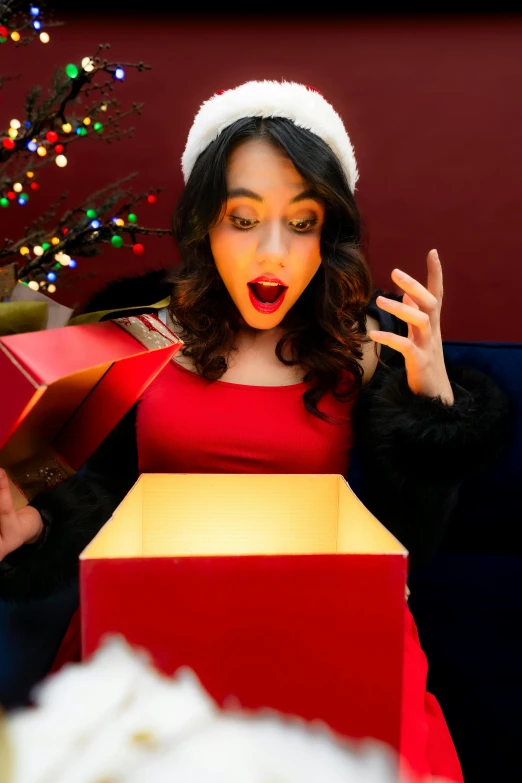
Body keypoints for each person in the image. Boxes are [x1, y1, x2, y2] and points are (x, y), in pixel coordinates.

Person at [0, 80, 511, 781]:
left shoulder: (364, 349)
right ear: (206, 224)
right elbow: (96, 505)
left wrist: (433, 409)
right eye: (244, 219)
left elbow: (406, 551)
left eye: (301, 223)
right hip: (152, 639)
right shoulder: (138, 336)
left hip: (324, 635)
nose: (273, 252)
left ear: (327, 232)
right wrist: (33, 527)